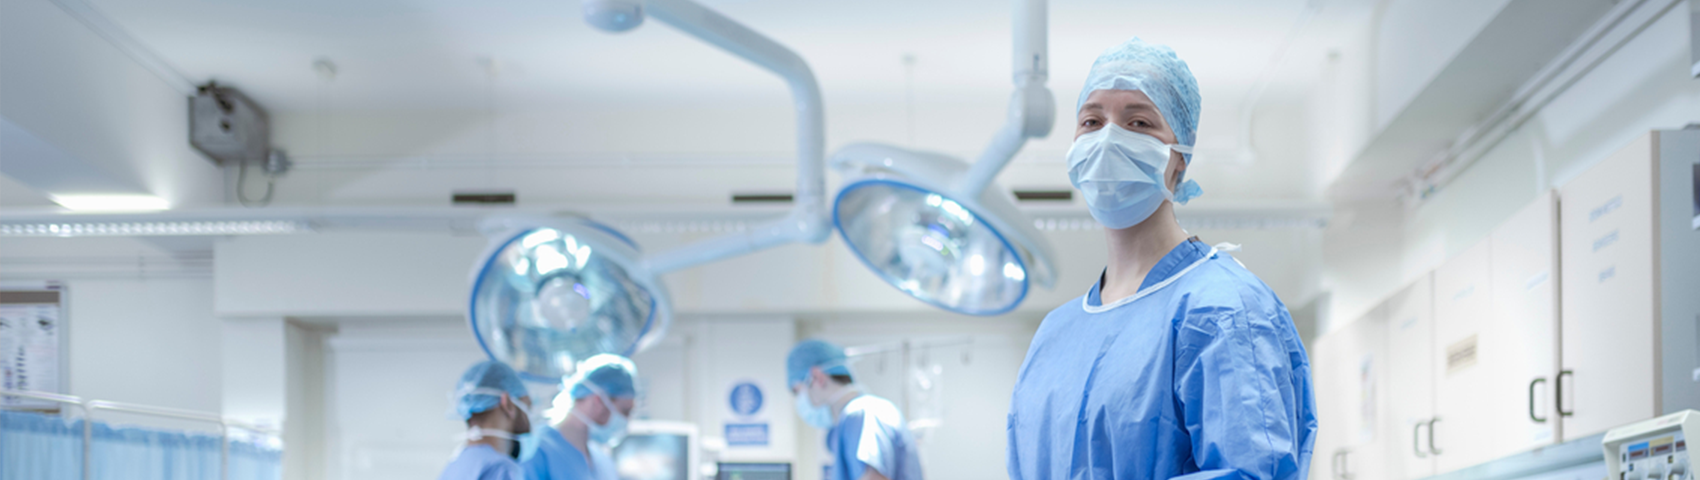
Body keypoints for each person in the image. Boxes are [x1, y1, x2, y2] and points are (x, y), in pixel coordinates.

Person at [1004, 37, 1318, 480]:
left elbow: (1251, 471)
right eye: (1091, 121)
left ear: (1179, 161)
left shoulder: (1224, 309)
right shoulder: (1056, 334)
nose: (1108, 138)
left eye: (1138, 122)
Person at [787, 339, 924, 480]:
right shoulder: (858, 415)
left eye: (797, 391)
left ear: (817, 377)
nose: (799, 400)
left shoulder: (861, 413)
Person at [523, 354, 637, 480]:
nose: (627, 421)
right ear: (598, 401)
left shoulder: (602, 461)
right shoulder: (537, 450)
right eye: (625, 411)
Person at [441, 360, 535, 480]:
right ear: (508, 404)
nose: (531, 416)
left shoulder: (454, 466)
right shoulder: (501, 469)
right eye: (528, 406)